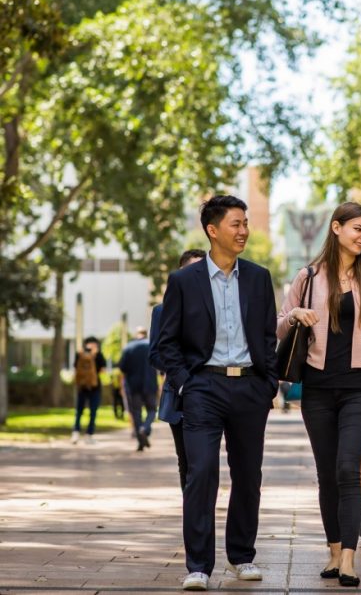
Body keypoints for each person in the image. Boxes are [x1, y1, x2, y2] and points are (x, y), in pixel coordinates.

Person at [159, 195, 278, 592]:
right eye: (236, 224)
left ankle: (242, 556)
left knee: (248, 475)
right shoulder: (183, 282)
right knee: (202, 471)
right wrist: (184, 384)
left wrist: (268, 383)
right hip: (202, 388)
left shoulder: (259, 278)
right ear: (213, 231)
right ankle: (198, 566)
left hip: (249, 387)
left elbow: (267, 335)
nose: (244, 231)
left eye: (246, 223)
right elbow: (165, 343)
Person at [277, 202, 361, 588]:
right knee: (327, 473)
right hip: (317, 390)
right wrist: (295, 316)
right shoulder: (308, 277)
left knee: (348, 467)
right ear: (336, 228)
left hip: (359, 388)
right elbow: (278, 327)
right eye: (358, 229)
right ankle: (332, 551)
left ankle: (348, 556)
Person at [148, 248, 205, 491]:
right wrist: (182, 373)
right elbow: (154, 354)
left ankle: (204, 510)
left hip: (213, 392)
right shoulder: (162, 311)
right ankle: (193, 514)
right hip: (178, 393)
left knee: (205, 461)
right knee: (187, 460)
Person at [119, 326, 157, 451]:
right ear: (146, 334)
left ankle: (140, 442)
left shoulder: (129, 347)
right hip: (150, 384)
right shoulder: (152, 345)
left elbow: (122, 368)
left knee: (136, 413)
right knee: (152, 410)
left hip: (133, 386)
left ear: (136, 334)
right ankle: (145, 429)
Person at [71, 336, 107, 444]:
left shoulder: (80, 354)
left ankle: (75, 432)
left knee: (79, 411)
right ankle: (89, 435)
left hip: (81, 386)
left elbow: (75, 368)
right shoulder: (98, 355)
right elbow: (103, 370)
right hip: (94, 386)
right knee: (93, 411)